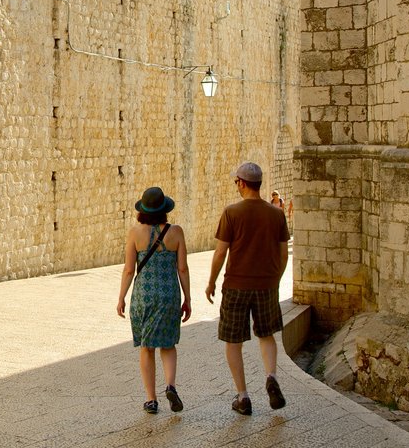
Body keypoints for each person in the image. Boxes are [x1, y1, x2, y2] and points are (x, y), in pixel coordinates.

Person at [206, 162, 290, 416]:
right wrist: (276, 278)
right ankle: (271, 375)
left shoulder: (232, 213)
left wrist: (211, 281)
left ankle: (242, 396)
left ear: (242, 183)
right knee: (267, 335)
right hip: (266, 284)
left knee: (233, 341)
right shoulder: (276, 214)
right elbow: (283, 253)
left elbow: (221, 252)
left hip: (236, 284)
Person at [117, 186, 192, 414]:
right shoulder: (176, 232)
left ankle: (151, 400)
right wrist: (188, 298)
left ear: (143, 210)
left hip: (144, 297)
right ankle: (170, 385)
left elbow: (129, 270)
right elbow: (182, 268)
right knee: (168, 345)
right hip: (169, 295)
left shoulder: (135, 233)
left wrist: (121, 297)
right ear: (164, 209)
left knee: (147, 347)